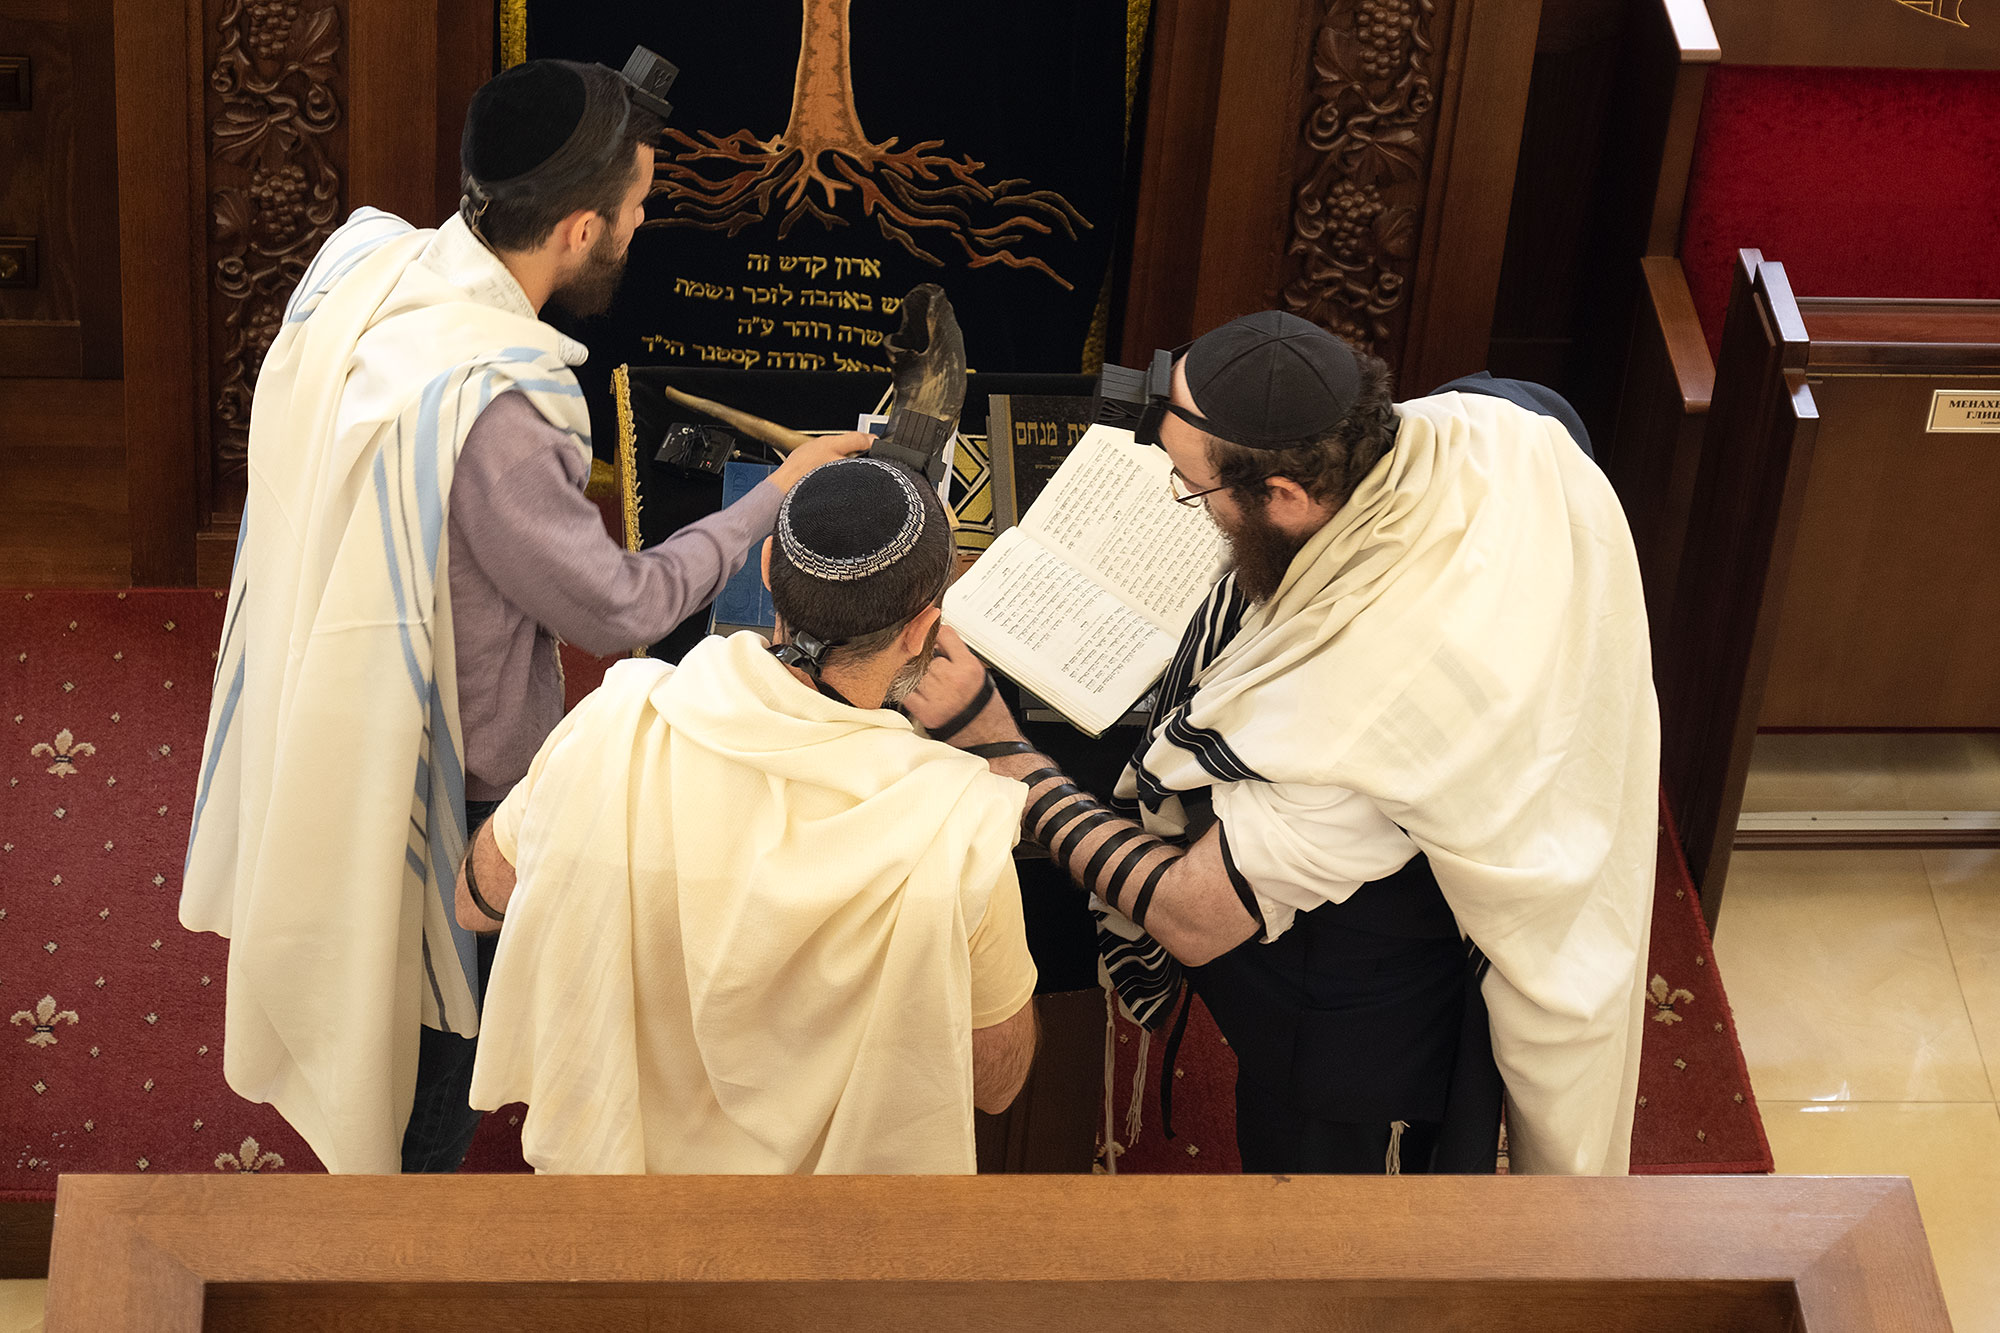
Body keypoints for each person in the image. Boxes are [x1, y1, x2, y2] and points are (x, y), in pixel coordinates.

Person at [180, 55, 865, 1176]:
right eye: (638, 207)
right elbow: (620, 607)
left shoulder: (376, 261)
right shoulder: (494, 407)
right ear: (580, 230)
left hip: (320, 681)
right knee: (430, 1067)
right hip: (448, 779)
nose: (644, 226)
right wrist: (777, 497)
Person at [905, 311, 1659, 1176]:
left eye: (1196, 492)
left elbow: (1194, 914)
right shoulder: (1506, 421)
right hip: (1496, 781)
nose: (1190, 506)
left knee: (1327, 1226)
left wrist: (1003, 746)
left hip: (1373, 1010)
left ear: (1288, 498)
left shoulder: (1360, 708)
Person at [458, 458, 1039, 1173]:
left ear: (766, 569)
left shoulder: (616, 721)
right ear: (922, 630)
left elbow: (476, 900)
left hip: (614, 1207)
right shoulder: (962, 827)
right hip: (814, 1249)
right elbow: (997, 1084)